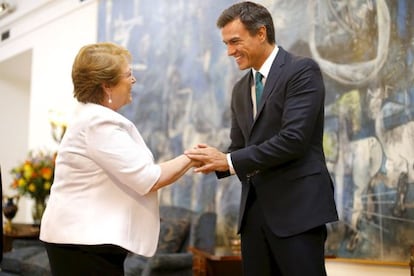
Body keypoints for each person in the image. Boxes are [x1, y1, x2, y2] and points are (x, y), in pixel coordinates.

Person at [185, 2, 338, 276]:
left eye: (235, 42)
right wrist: (212, 160)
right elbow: (238, 149)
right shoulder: (240, 90)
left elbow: (293, 139)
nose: (230, 51)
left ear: (261, 33)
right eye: (226, 44)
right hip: (254, 220)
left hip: (297, 214)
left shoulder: (302, 71)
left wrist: (229, 160)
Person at [40, 42, 198, 276]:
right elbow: (148, 178)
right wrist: (191, 156)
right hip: (84, 243)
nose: (133, 81)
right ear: (106, 86)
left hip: (82, 240)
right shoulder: (99, 123)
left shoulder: (91, 118)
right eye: (128, 75)